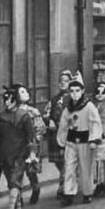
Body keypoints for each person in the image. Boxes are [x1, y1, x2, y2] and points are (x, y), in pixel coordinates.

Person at [0, 86, 35, 209]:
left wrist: (32, 152)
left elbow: (30, 136)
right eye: (5, 100)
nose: (8, 103)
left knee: (15, 179)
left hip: (19, 153)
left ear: (15, 100)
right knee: (11, 180)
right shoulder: (0, 118)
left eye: (11, 100)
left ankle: (10, 208)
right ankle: (18, 205)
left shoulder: (24, 116)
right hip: (4, 154)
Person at [57, 73, 103, 206]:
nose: (74, 94)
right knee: (69, 167)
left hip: (85, 141)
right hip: (71, 141)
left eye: (77, 91)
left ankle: (87, 192)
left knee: (85, 167)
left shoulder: (89, 107)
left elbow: (95, 123)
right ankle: (69, 193)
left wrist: (94, 139)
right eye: (71, 91)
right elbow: (63, 125)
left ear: (82, 91)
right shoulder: (68, 108)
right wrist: (61, 141)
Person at [13, 84, 46, 205]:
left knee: (31, 170)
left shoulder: (33, 111)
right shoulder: (13, 110)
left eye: (26, 91)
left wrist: (35, 140)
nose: (26, 93)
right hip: (17, 144)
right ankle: (17, 196)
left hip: (31, 143)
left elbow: (40, 127)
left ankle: (35, 188)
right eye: (22, 92)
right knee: (17, 171)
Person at [43, 70, 72, 199]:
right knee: (59, 161)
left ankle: (64, 185)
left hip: (68, 133)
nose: (62, 84)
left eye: (66, 81)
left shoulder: (73, 98)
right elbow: (46, 112)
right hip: (55, 133)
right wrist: (49, 121)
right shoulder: (54, 99)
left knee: (67, 159)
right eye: (61, 81)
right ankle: (64, 178)